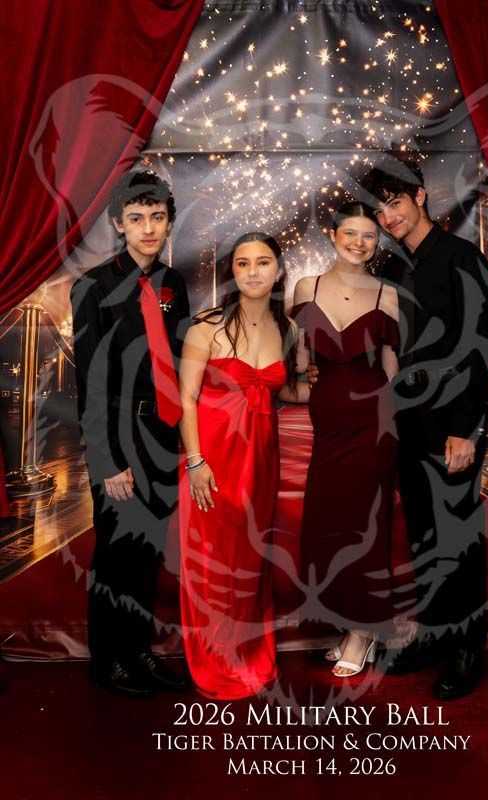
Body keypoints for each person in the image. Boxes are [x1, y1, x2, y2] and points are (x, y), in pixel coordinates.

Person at [360, 158, 488, 699]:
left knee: (458, 534)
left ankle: (468, 648)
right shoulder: (391, 268)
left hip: (454, 419)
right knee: (423, 532)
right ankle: (434, 634)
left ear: (420, 197)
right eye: (380, 211)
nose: (388, 217)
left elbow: (479, 347)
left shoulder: (463, 257)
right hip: (408, 419)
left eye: (395, 203)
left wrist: (465, 429)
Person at [71, 170, 191, 698]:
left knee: (147, 553)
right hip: (118, 439)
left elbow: (181, 359)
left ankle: (139, 650)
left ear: (168, 222)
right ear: (119, 224)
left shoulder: (173, 284)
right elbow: (90, 381)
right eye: (136, 218)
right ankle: (109, 660)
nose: (148, 228)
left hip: (161, 434)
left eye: (157, 217)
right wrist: (105, 461)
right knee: (116, 554)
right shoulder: (93, 286)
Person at [178, 232, 307, 699]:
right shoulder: (206, 327)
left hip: (261, 458)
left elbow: (285, 390)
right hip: (212, 457)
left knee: (251, 560)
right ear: (232, 272)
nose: (253, 272)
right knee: (213, 562)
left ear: (278, 270)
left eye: (263, 262)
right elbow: (185, 400)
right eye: (242, 263)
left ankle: (248, 652)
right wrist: (196, 463)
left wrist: (336, 383)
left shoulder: (290, 330)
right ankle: (214, 657)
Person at [292, 201, 400, 678]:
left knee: (365, 524)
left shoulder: (387, 294)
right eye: (350, 233)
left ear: (378, 242)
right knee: (329, 522)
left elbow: (392, 366)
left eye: (369, 235)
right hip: (328, 424)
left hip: (373, 421)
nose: (359, 242)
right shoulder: (306, 287)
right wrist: (300, 376)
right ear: (333, 235)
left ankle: (363, 630)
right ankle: (350, 620)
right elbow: (299, 359)